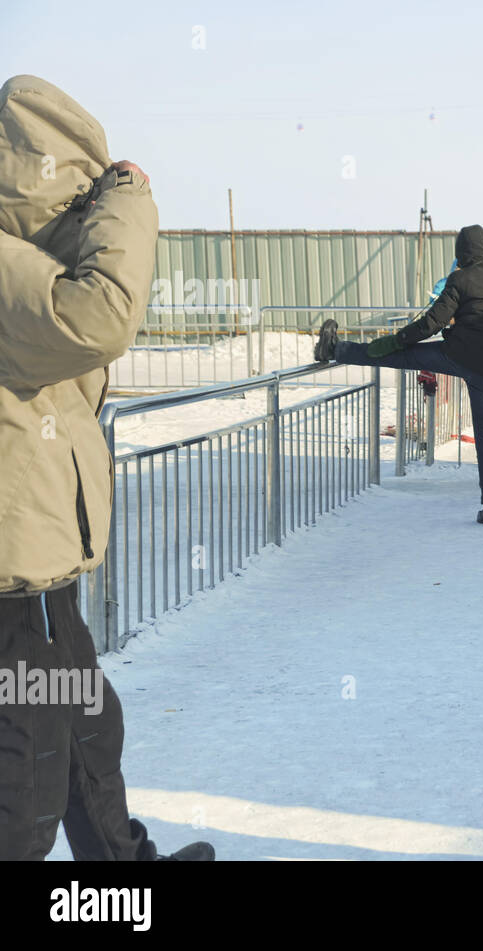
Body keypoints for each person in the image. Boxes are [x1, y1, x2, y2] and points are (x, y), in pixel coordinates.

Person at [0, 74, 211, 860]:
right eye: (81, 191)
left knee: (88, 732)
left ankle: (121, 880)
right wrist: (129, 201)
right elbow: (95, 322)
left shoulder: (29, 260)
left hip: (41, 572)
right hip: (10, 587)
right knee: (26, 784)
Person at [314, 225, 483, 526]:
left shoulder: (462, 277)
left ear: (462, 252)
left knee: (399, 356)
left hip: (460, 356)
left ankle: (336, 349)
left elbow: (432, 322)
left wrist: (395, 339)